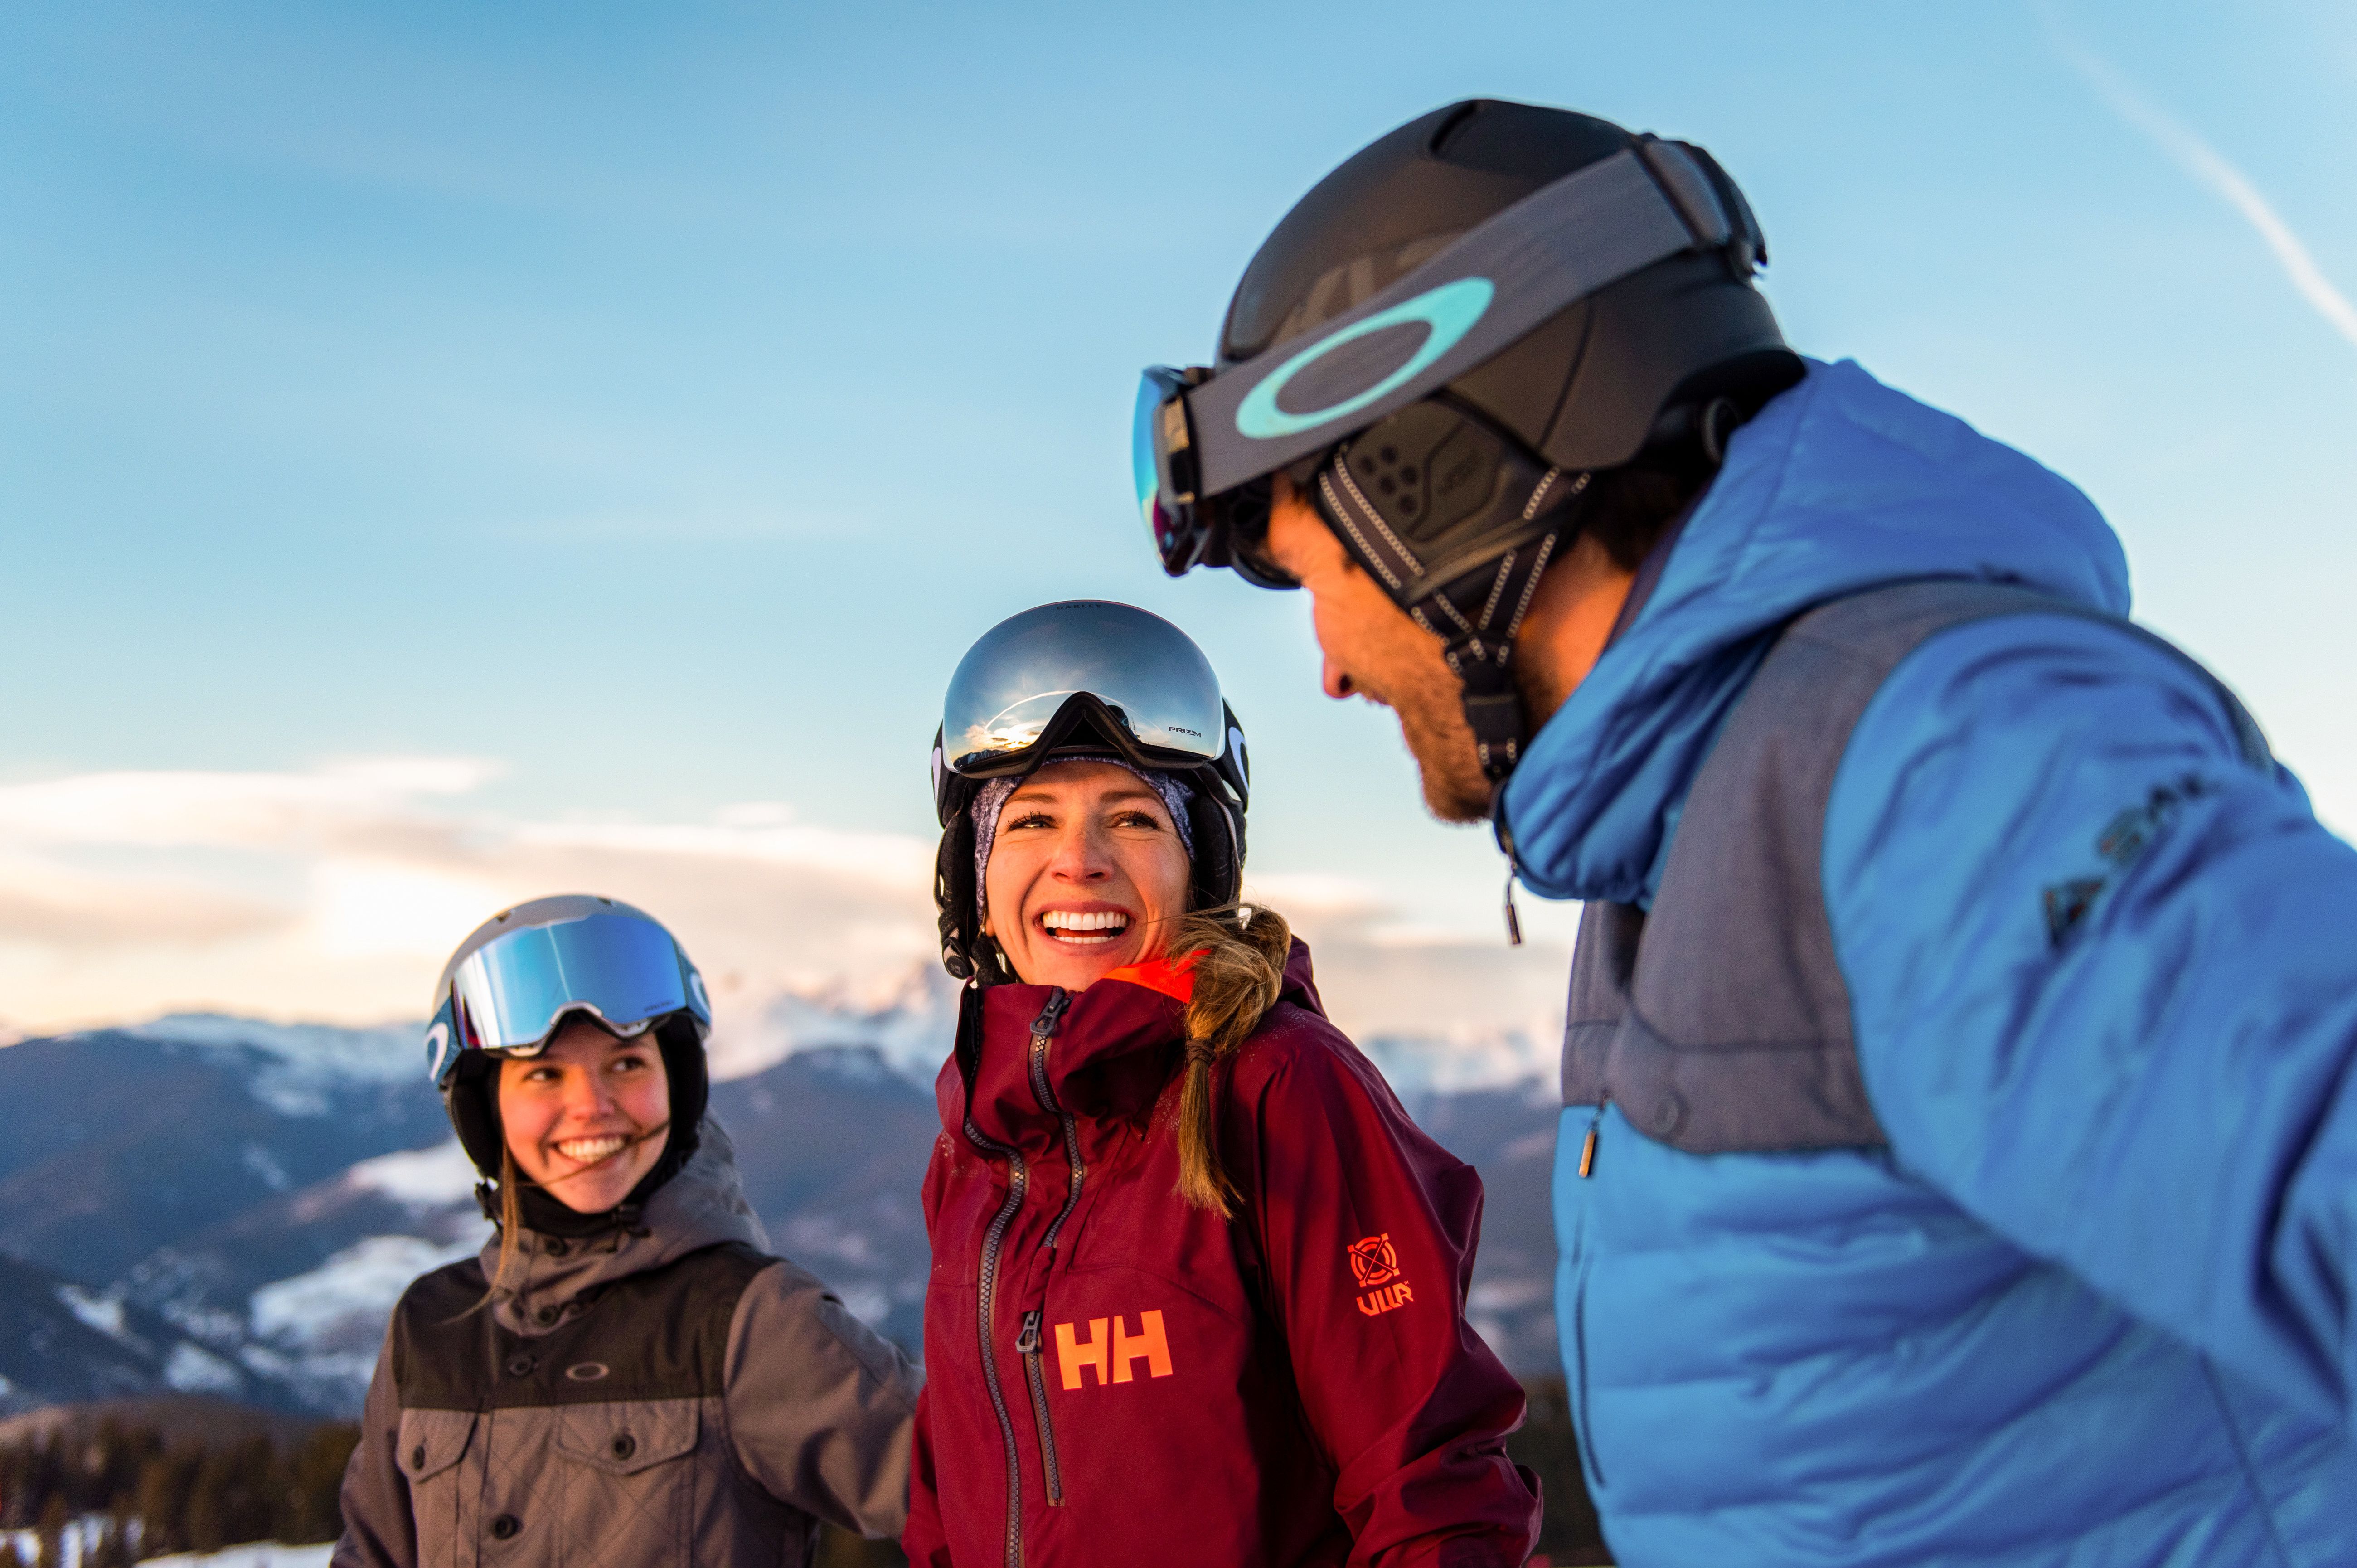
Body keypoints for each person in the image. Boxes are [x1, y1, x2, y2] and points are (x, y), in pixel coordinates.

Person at [1130, 99, 2357, 1563]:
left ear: (1440, 493)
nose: (1328, 664)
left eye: (1319, 579)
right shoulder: (1687, 823)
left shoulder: (1930, 756)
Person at [903, 599, 1541, 1567]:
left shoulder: (1277, 1083)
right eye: (1031, 819)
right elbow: (945, 1499)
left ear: (1199, 865)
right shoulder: (980, 1137)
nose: (1080, 860)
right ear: (977, 880)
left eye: (1132, 816)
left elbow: (1430, 1482)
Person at [334, 894, 921, 1568]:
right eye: (545, 1074)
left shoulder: (747, 1322)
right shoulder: (430, 1327)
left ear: (678, 1084)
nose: (591, 1107)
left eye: (627, 1064)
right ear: (484, 1108)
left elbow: (992, 1494)